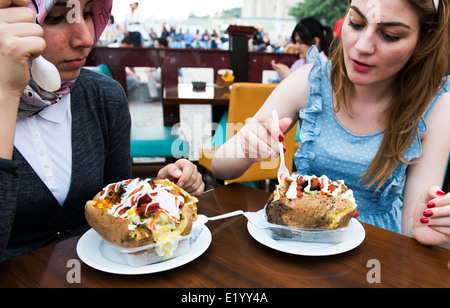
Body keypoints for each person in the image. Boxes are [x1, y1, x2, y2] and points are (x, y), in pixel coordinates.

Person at [212, 0, 450, 246]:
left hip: (378, 251)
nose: (363, 46)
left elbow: (413, 224)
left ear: (424, 39)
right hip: (300, 234)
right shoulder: (310, 80)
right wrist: (246, 148)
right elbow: (220, 167)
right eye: (356, 24)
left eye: (389, 36)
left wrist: (432, 229)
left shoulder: (436, 108)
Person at [0, 0, 204, 261]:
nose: (86, 38)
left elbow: (112, 205)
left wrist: (157, 193)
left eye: (86, 13)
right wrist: (5, 96)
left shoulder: (104, 96)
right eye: (55, 18)